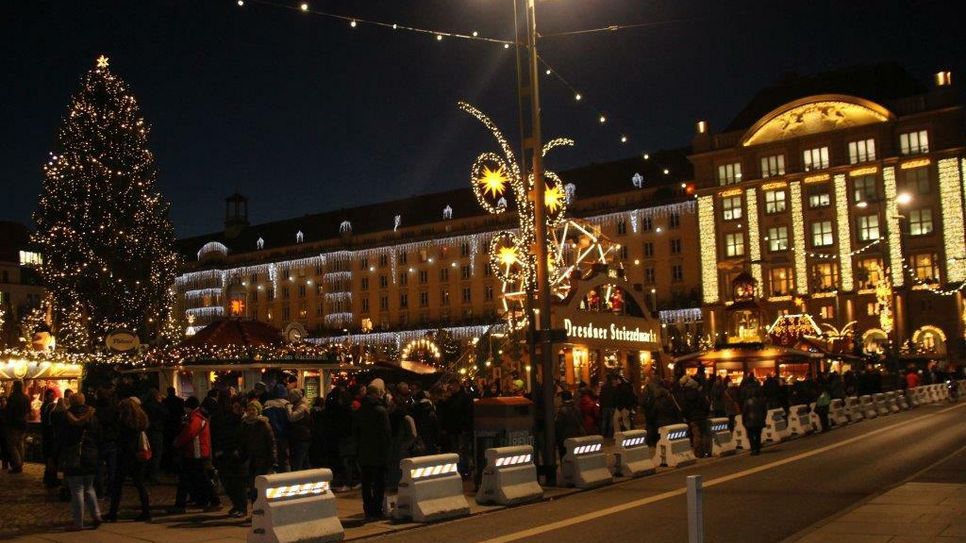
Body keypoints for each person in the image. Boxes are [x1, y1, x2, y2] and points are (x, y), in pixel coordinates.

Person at [59, 393, 103, 531]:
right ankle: (96, 516)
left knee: (77, 489)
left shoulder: (67, 417)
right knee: (89, 488)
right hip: (91, 454)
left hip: (74, 456)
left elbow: (62, 437)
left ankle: (78, 522)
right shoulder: (93, 417)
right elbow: (99, 435)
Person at [170, 397, 220, 513]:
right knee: (199, 478)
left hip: (195, 453)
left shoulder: (196, 418)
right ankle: (211, 500)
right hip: (198, 452)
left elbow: (189, 433)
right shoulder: (200, 418)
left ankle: (181, 505)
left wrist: (177, 443)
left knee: (192, 479)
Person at [105, 397, 151, 522]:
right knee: (140, 484)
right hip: (138, 456)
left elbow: (124, 441)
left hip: (126, 456)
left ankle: (113, 513)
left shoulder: (125, 423)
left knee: (118, 485)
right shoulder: (141, 420)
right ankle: (146, 511)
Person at [353, 384, 391, 520]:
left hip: (364, 451)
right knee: (379, 482)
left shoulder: (360, 410)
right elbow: (386, 434)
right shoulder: (381, 411)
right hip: (379, 451)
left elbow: (356, 431)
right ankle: (376, 509)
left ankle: (368, 509)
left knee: (366, 482)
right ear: (378, 394)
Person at [213, 394, 249, 518]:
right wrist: (220, 450)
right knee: (228, 482)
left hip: (238, 457)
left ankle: (242, 507)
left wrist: (238, 451)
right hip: (226, 455)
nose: (237, 409)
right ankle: (236, 505)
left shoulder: (245, 422)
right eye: (235, 406)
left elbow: (245, 441)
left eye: (239, 407)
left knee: (239, 484)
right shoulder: (229, 419)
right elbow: (223, 435)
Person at [239, 400, 276, 504]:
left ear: (258, 411)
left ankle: (262, 509)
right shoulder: (244, 424)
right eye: (249, 409)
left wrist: (273, 459)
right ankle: (255, 510)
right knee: (252, 486)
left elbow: (271, 442)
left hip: (262, 459)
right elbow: (242, 441)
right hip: (250, 459)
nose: (251, 412)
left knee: (260, 486)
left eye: (253, 409)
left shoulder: (263, 424)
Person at [678, 375, 711, 458]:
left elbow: (684, 407)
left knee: (696, 436)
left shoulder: (685, 394)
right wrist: (705, 413)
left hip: (693, 418)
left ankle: (698, 453)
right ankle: (707, 452)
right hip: (702, 416)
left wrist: (686, 416)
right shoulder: (699, 393)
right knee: (705, 435)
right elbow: (705, 404)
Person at [263, 384, 292, 473]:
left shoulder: (267, 404)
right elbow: (289, 418)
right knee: (284, 458)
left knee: (272, 457)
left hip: (270, 434)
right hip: (283, 434)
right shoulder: (286, 404)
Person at [4, 380, 31, 473]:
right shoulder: (26, 397)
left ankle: (17, 464)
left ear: (14, 387)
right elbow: (28, 411)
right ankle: (20, 463)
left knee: (12, 445)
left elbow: (8, 411)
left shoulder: (12, 397)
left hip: (14, 424)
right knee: (20, 444)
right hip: (23, 424)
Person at [141, 388, 167, 482]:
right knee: (156, 454)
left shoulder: (144, 405)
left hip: (147, 431)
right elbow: (165, 414)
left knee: (147, 453)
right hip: (156, 431)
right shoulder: (158, 406)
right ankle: (153, 475)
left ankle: (145, 473)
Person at [554, 390, 584, 460]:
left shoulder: (562, 411)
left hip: (565, 438)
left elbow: (559, 426)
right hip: (577, 437)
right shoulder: (577, 409)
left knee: (565, 459)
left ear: (562, 398)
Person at [286, 389, 312, 472]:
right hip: (302, 437)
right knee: (304, 462)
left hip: (301, 437)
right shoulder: (301, 404)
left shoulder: (302, 406)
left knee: (298, 462)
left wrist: (288, 407)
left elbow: (292, 417)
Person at [741, 379, 768, 456]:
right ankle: (758, 449)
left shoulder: (748, 401)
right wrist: (763, 418)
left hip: (749, 420)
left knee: (750, 435)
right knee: (758, 434)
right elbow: (764, 411)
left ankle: (753, 449)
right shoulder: (761, 400)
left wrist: (743, 421)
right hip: (759, 420)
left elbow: (744, 412)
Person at [161, 387, 184, 472]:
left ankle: (168, 465)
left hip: (167, 426)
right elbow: (182, 412)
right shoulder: (180, 401)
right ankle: (176, 466)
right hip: (177, 426)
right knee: (176, 447)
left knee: (168, 447)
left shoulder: (164, 402)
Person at [41, 388, 60, 487]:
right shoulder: (50, 406)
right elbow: (49, 422)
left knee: (49, 457)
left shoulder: (45, 406)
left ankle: (48, 477)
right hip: (49, 435)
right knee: (51, 457)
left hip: (47, 435)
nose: (53, 397)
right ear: (47, 396)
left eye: (53, 395)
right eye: (51, 395)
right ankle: (50, 478)